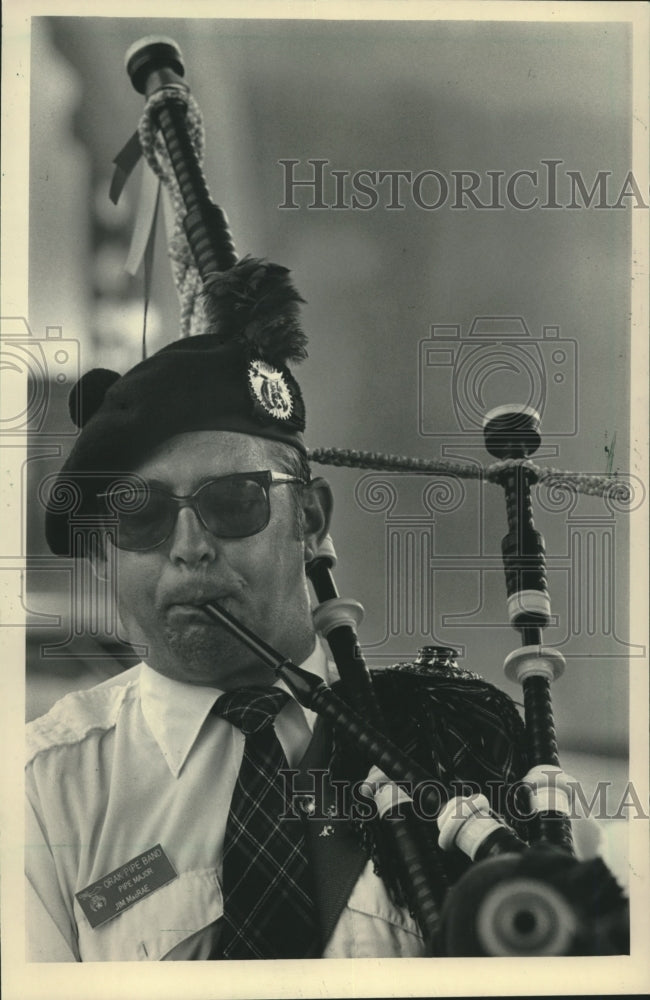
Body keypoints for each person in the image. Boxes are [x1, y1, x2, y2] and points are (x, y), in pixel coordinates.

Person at [26, 259, 527, 961]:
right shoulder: (40, 791)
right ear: (108, 549)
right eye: (141, 517)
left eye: (233, 502)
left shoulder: (449, 742)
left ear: (312, 519)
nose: (188, 549)